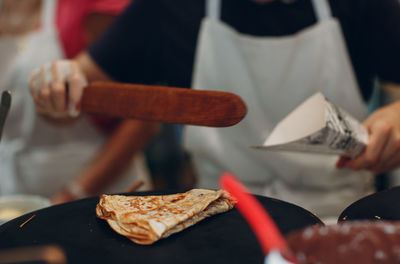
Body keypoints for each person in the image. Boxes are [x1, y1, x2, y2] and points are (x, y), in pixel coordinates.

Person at [29, 0, 400, 219]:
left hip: (340, 212)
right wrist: (58, 84)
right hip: (220, 218)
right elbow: (77, 86)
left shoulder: (360, 4)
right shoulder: (170, 9)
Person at [0, 0, 154, 204]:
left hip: (97, 196)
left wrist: (74, 193)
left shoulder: (91, 6)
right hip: (12, 194)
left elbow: (145, 117)